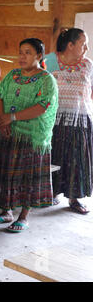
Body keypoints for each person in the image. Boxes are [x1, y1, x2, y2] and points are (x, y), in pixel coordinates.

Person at [0, 38, 58, 232]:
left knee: (26, 177)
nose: (22, 56)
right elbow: (0, 96)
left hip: (30, 137)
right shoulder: (12, 75)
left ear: (39, 56)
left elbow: (42, 106)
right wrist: (2, 120)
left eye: (27, 52)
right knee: (6, 174)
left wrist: (12, 117)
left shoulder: (47, 80)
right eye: (20, 52)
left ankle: (23, 216)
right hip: (7, 132)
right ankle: (6, 211)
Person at [46, 28, 92, 214]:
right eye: (83, 43)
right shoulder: (50, 61)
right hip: (53, 119)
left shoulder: (88, 65)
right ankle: (51, 193)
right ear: (70, 45)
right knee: (53, 156)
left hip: (79, 120)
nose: (87, 47)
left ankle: (75, 198)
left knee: (76, 159)